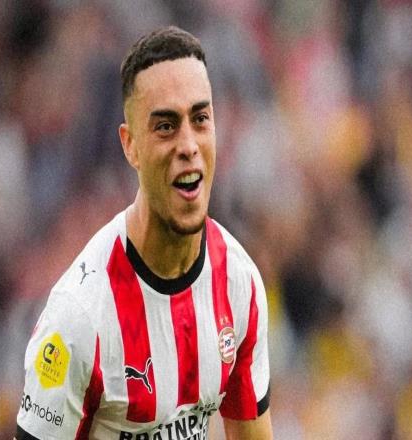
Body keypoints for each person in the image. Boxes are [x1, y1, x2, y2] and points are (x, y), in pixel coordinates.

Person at [15, 26, 272, 440]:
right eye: (166, 126)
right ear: (130, 145)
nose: (188, 145)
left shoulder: (238, 282)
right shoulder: (79, 317)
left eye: (200, 119)